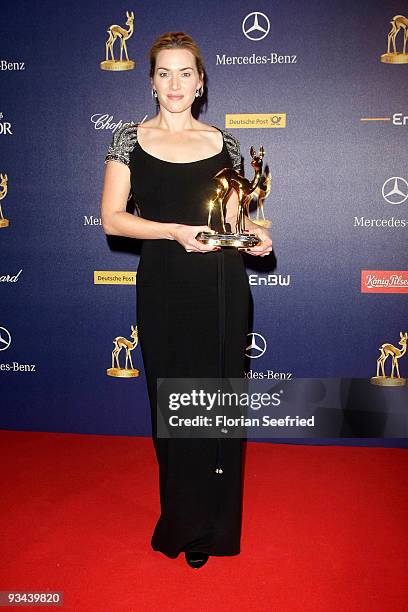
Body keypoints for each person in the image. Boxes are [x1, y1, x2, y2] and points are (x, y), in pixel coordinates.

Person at [100, 32, 272, 569]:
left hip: (222, 287)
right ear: (151, 81)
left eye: (185, 73)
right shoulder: (127, 140)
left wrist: (257, 235)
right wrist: (173, 230)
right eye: (164, 73)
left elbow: (235, 219)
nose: (175, 84)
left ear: (200, 82)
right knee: (171, 404)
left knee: (215, 406)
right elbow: (112, 218)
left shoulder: (225, 143)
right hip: (165, 287)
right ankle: (180, 517)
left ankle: (212, 531)